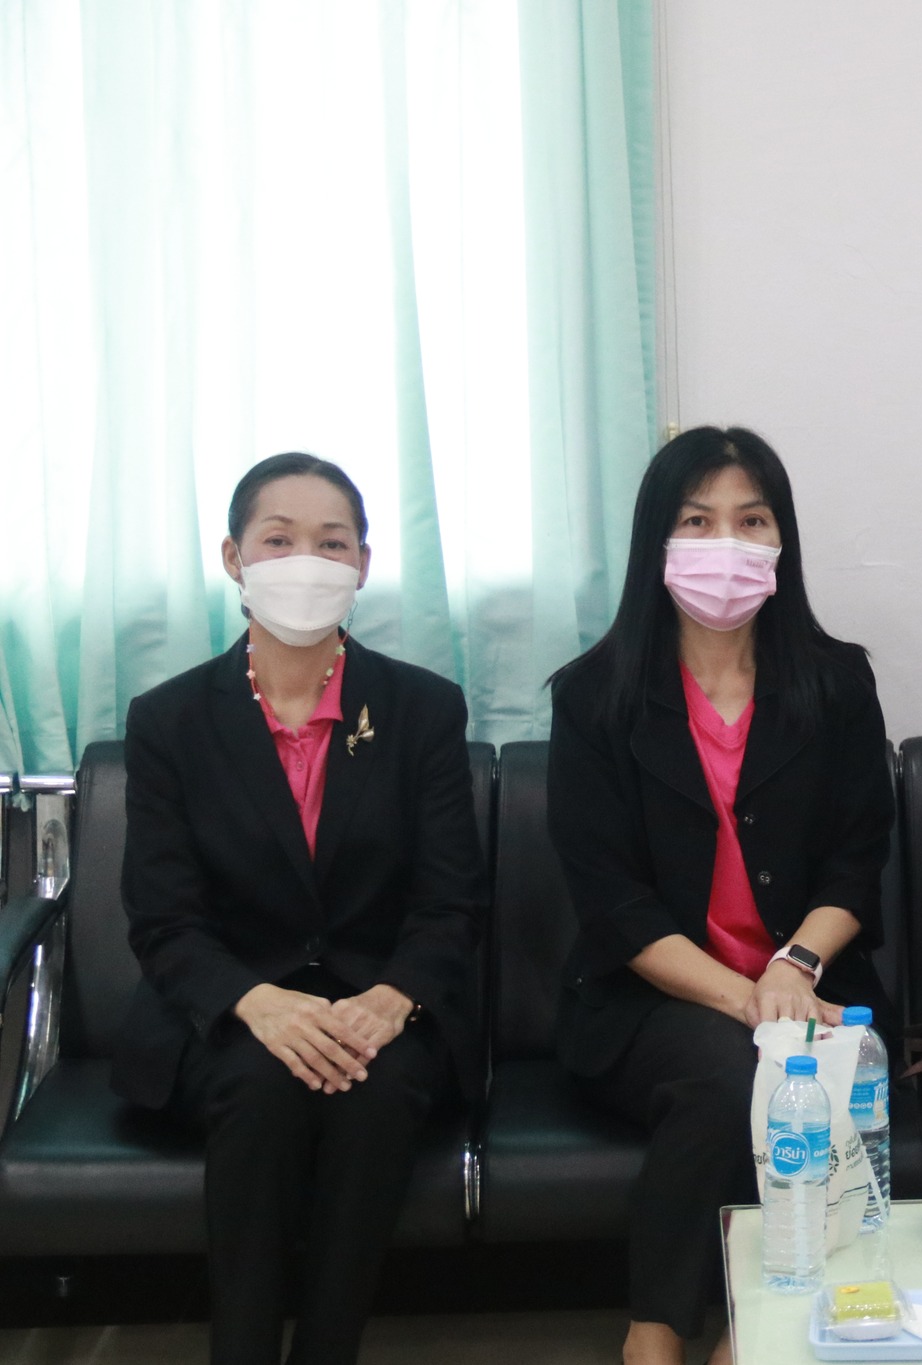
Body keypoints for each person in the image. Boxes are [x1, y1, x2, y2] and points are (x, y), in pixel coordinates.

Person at [119, 454, 485, 1365]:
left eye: (332, 543)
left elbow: (450, 899)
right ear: (234, 558)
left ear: (363, 563)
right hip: (229, 1010)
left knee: (372, 1089)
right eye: (278, 540)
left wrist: (391, 999)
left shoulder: (422, 709)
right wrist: (256, 1002)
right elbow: (163, 918)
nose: (306, 563)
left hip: (383, 1004)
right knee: (260, 1085)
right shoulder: (170, 720)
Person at [547, 427, 894, 1365]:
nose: (726, 544)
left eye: (752, 520)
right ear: (656, 541)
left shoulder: (835, 682)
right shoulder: (593, 696)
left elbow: (858, 860)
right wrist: (751, 998)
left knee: (794, 1070)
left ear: (782, 541)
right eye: (698, 521)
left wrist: (795, 965)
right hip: (647, 1001)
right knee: (730, 1070)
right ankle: (658, 1332)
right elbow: (613, 902)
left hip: (813, 985)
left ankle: (754, 1334)